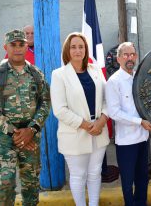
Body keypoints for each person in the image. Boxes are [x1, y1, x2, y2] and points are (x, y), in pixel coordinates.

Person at [0, 29, 50, 205]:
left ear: (26, 46)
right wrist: (14, 131)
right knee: (4, 185)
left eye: (21, 44)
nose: (18, 48)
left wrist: (32, 129)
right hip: (2, 136)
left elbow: (45, 103)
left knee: (31, 184)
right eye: (13, 45)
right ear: (6, 47)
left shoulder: (37, 74)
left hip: (31, 135)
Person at [51, 32, 109, 206]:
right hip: (75, 133)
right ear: (67, 51)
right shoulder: (59, 75)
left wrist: (101, 121)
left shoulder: (96, 70)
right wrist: (86, 125)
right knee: (78, 175)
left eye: (81, 46)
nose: (78, 50)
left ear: (86, 49)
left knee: (94, 173)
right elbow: (60, 110)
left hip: (99, 130)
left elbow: (108, 99)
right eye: (73, 47)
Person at [105, 42, 151, 206]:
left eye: (132, 54)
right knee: (128, 181)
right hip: (126, 142)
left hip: (143, 138)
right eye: (125, 55)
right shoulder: (114, 81)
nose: (130, 58)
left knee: (142, 177)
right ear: (118, 58)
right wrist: (140, 122)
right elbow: (114, 113)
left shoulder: (141, 78)